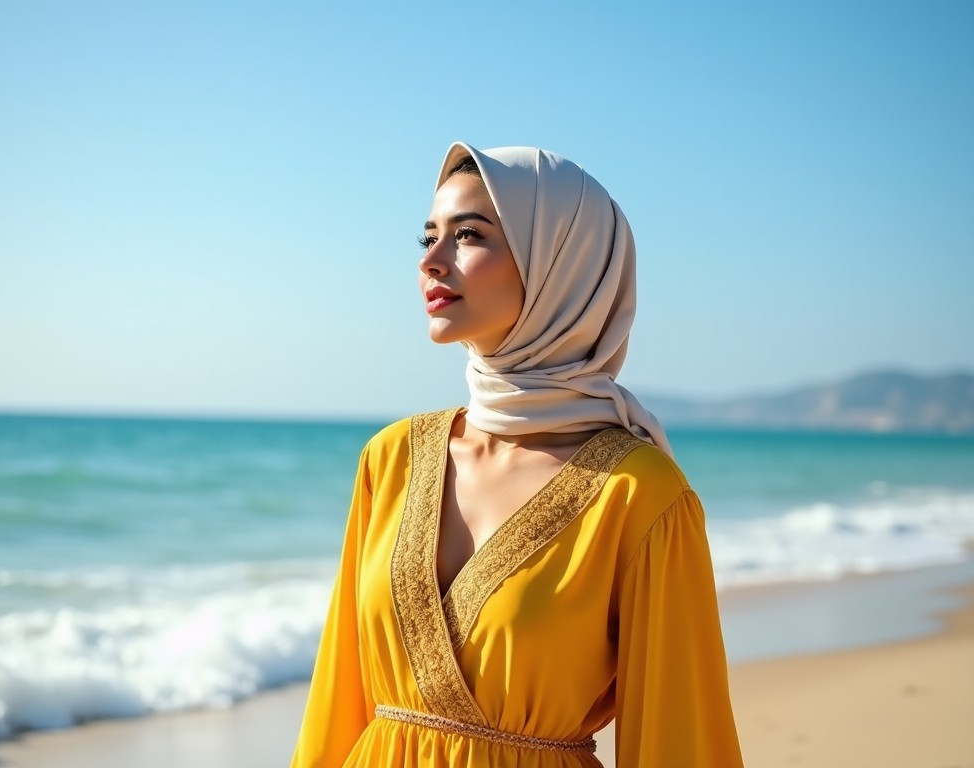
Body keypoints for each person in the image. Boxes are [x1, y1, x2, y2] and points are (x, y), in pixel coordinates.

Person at [290, 143, 743, 767]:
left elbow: (679, 740)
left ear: (561, 264)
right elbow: (338, 703)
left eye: (468, 236)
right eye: (427, 236)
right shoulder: (390, 459)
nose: (431, 261)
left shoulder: (640, 494)